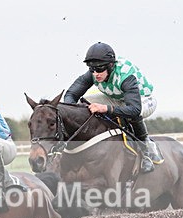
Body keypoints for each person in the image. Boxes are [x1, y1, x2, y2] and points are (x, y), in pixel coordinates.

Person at [63, 42, 163, 173]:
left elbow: (134, 109)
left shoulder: (125, 75)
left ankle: (146, 150)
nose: (95, 73)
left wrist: (106, 109)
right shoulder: (94, 73)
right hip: (118, 98)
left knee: (132, 115)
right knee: (85, 105)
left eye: (99, 69)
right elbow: (71, 94)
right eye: (92, 69)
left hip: (143, 100)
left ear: (110, 66)